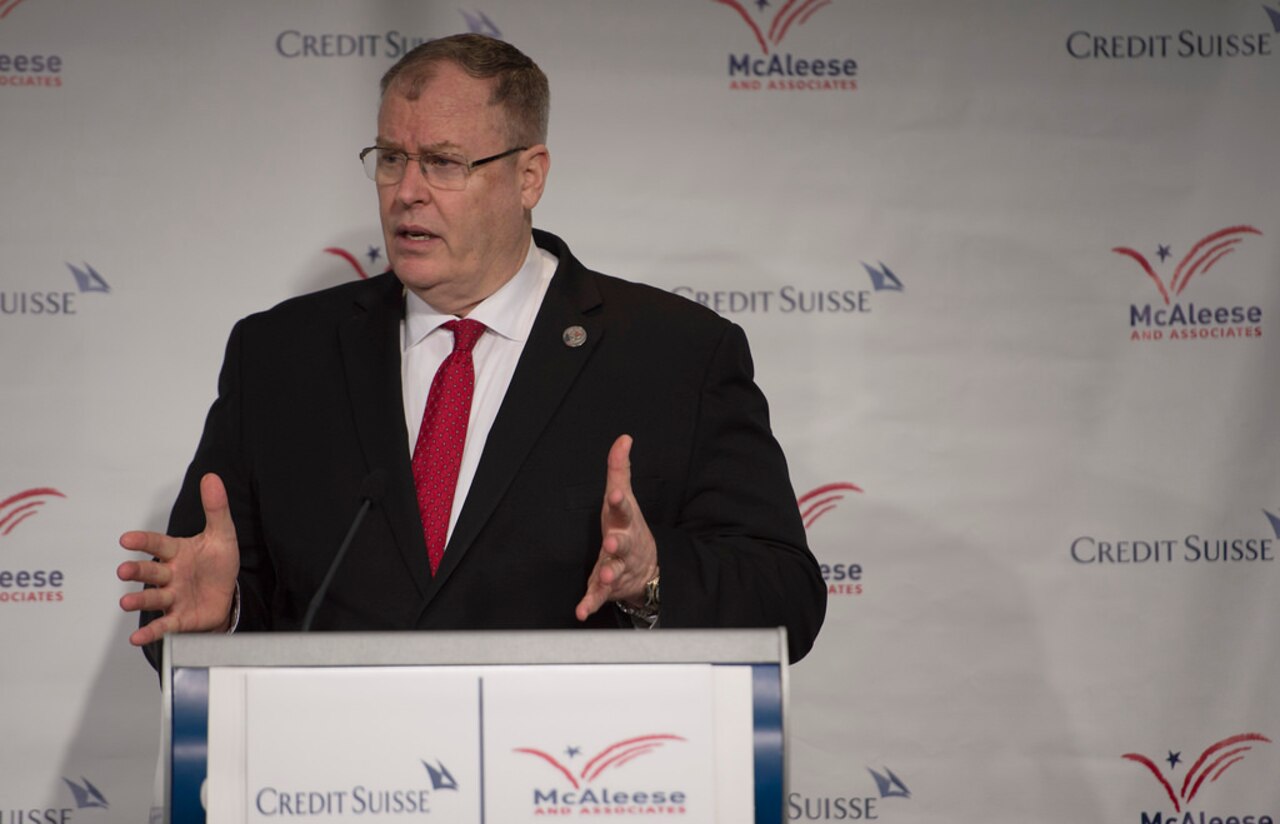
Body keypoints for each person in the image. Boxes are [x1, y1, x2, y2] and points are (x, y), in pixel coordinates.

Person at [116, 34, 825, 664]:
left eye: (444, 162)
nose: (407, 192)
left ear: (529, 176)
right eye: (391, 158)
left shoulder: (674, 355)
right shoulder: (278, 356)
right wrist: (218, 621)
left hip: (572, 788)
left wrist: (654, 579)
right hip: (334, 789)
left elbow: (788, 599)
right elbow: (198, 596)